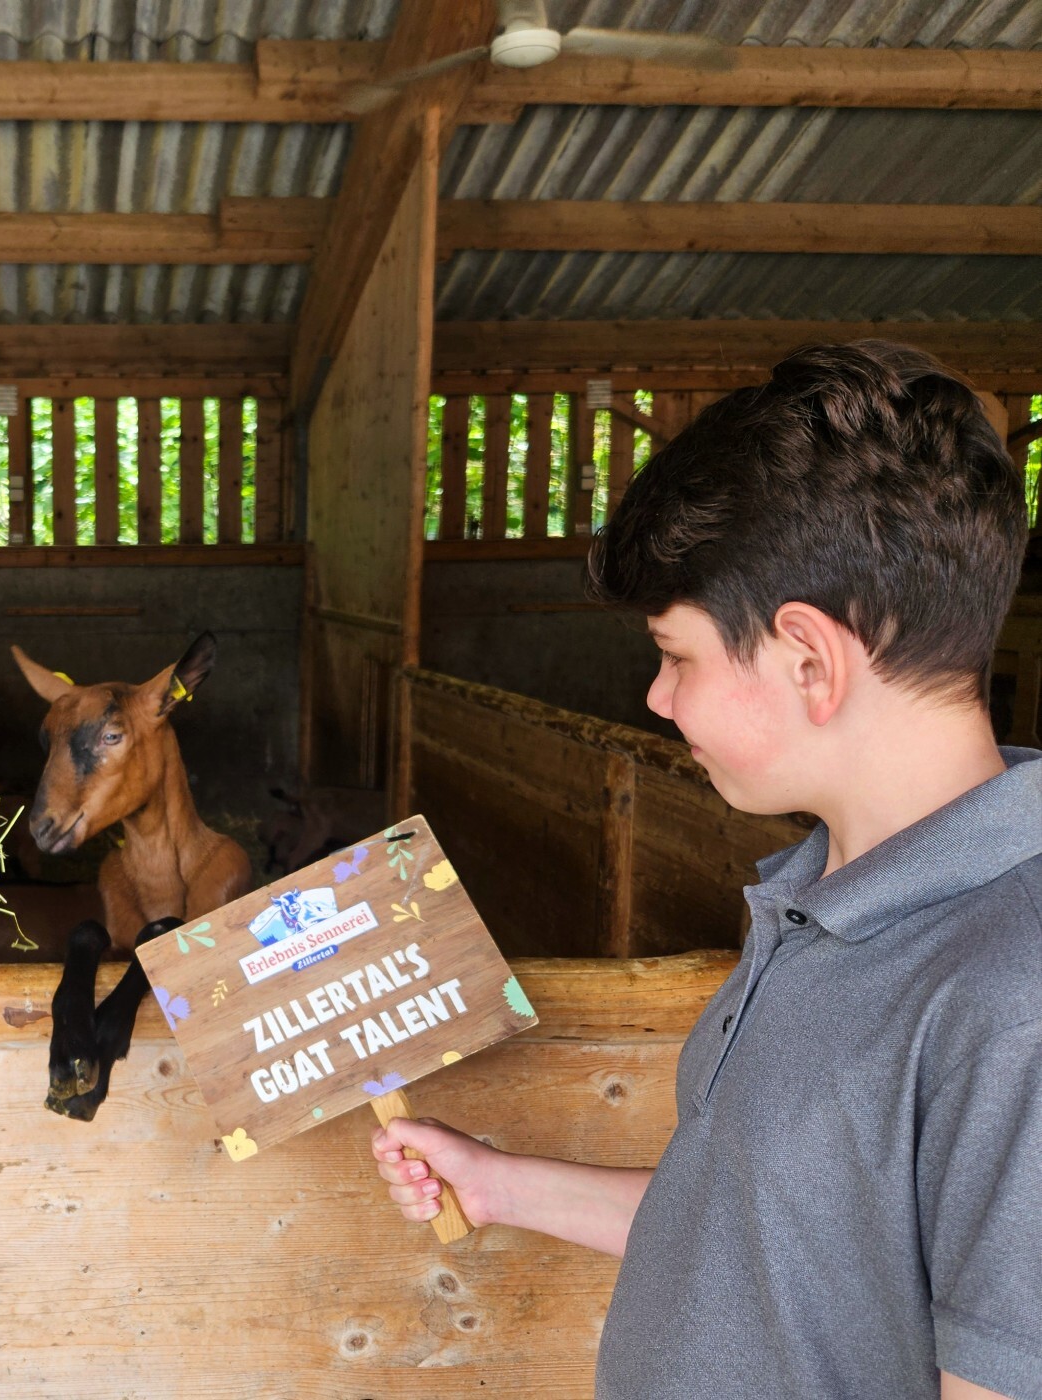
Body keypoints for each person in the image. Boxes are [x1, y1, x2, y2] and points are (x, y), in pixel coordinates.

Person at [373, 343, 1040, 1400]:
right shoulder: (820, 894)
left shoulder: (1013, 1001)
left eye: (677, 653)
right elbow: (767, 1240)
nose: (656, 696)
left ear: (809, 660)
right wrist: (500, 1181)